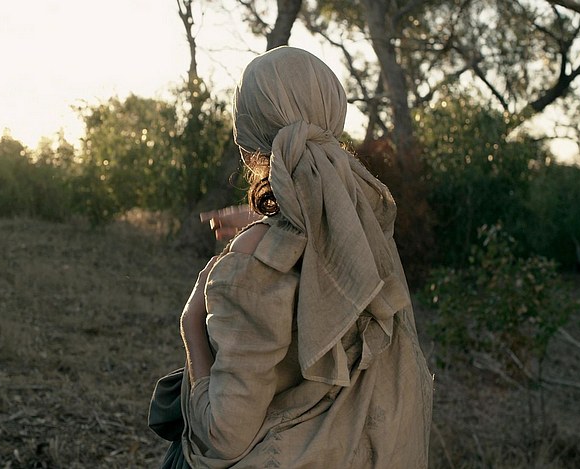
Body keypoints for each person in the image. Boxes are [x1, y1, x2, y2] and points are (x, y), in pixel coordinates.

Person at [150, 46, 433, 468]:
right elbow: (319, 234)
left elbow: (224, 436)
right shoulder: (364, 227)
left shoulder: (255, 259)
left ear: (247, 142)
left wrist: (191, 323)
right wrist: (268, 218)